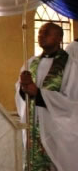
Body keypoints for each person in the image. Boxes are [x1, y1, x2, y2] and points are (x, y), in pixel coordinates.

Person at [15, 22, 78, 171]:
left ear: (59, 38)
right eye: (40, 33)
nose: (41, 36)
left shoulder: (71, 65)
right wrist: (22, 88)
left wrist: (38, 93)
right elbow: (20, 93)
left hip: (56, 132)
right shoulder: (30, 63)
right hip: (33, 129)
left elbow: (73, 101)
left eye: (46, 33)